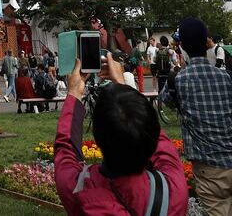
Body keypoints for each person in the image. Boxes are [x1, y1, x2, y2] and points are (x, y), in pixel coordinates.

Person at [54, 52, 188, 215]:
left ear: (98, 138)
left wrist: (74, 92)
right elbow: (153, 135)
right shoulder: (173, 189)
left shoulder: (77, 190)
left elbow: (65, 148)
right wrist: (122, 84)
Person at [174, 15, 232, 216]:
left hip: (208, 168)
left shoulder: (180, 79)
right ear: (207, 42)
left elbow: (167, 102)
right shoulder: (225, 77)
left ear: (182, 46)